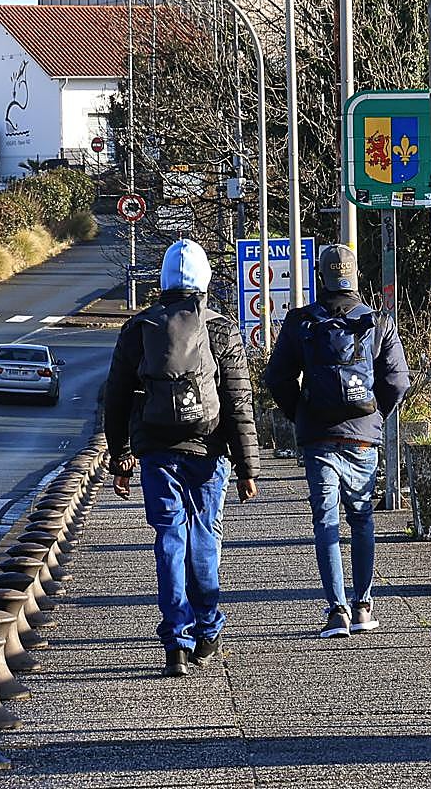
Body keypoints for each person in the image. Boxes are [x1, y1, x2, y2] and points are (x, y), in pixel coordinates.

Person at [104, 239, 260, 677]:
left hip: (157, 454)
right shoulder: (221, 328)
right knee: (205, 537)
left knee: (170, 540)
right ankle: (208, 628)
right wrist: (249, 467)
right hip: (209, 451)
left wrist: (121, 458)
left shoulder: (139, 328)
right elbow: (237, 401)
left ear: (165, 280)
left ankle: (177, 641)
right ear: (205, 281)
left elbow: (115, 399)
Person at [263, 244, 411, 638]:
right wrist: (374, 413)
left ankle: (337, 612)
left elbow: (276, 378)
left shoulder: (301, 322)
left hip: (319, 437)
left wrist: (301, 413)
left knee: (325, 520)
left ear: (320, 276)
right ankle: (363, 606)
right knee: (361, 518)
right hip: (363, 436)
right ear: (354, 275)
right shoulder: (379, 321)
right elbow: (398, 380)